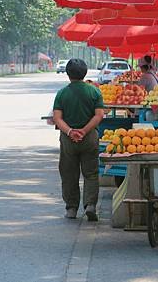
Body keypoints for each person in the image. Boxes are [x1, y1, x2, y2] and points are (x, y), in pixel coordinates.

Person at [53, 58, 104, 221]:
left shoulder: (62, 93)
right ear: (85, 73)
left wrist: (70, 132)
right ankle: (90, 205)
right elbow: (99, 115)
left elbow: (57, 118)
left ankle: (71, 208)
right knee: (91, 173)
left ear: (68, 74)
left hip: (68, 140)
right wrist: (84, 130)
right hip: (89, 137)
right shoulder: (94, 92)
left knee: (69, 173)